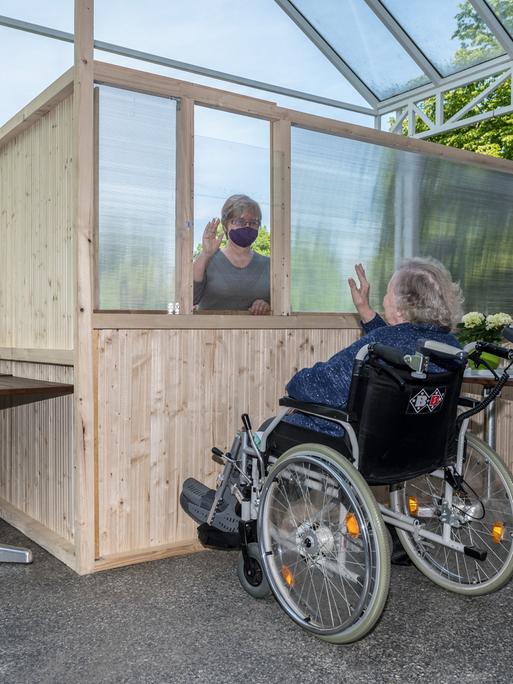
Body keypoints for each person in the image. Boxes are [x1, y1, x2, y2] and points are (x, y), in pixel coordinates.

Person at [284, 258, 464, 437]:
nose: (384, 299)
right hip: (420, 445)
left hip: (362, 444)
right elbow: (400, 342)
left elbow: (326, 386)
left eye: (387, 293)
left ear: (401, 308)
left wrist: (294, 384)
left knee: (271, 429)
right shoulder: (450, 346)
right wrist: (364, 308)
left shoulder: (383, 341)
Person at [193, 194, 270, 314]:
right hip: (210, 331)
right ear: (225, 225)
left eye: (254, 222)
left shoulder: (268, 264)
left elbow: (283, 306)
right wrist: (206, 254)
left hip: (257, 332)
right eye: (240, 221)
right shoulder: (208, 260)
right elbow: (190, 298)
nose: (247, 226)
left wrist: (267, 306)